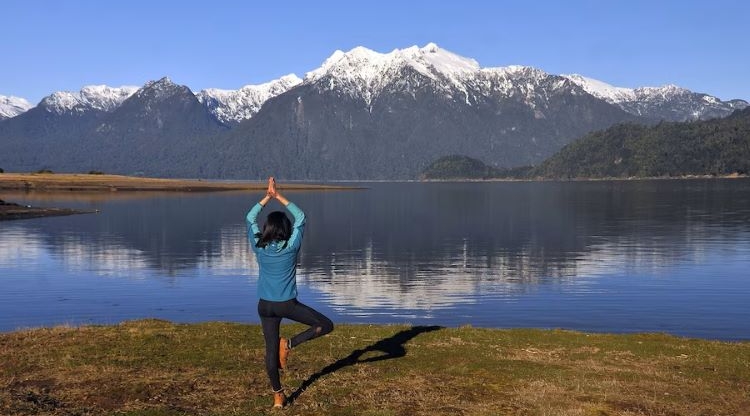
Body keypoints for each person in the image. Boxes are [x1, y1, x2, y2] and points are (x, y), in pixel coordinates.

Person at [246, 177, 334, 408]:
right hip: (287, 304)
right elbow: (302, 217)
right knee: (325, 325)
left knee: (270, 351)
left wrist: (267, 196)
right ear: (285, 229)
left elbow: (249, 217)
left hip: (265, 306)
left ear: (267, 228)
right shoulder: (291, 246)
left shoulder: (259, 246)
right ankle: (290, 345)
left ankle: (277, 396)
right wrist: (279, 196)